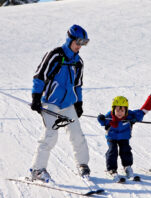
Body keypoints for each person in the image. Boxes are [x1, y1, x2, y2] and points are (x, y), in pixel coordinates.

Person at [30, 24, 90, 182]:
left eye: (83, 44)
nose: (79, 47)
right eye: (78, 43)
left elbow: (77, 85)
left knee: (77, 134)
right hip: (51, 103)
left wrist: (79, 103)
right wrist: (36, 97)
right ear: (70, 40)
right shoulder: (55, 55)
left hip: (68, 104)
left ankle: (83, 164)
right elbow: (39, 76)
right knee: (50, 135)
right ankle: (37, 170)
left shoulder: (78, 62)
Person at [97, 96, 144, 180]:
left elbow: (139, 114)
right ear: (113, 109)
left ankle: (127, 166)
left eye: (122, 110)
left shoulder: (129, 115)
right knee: (113, 150)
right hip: (112, 136)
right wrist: (101, 118)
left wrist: (135, 118)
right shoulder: (109, 116)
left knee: (125, 150)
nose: (120, 113)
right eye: (117, 110)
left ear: (126, 110)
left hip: (124, 137)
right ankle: (111, 169)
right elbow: (103, 122)